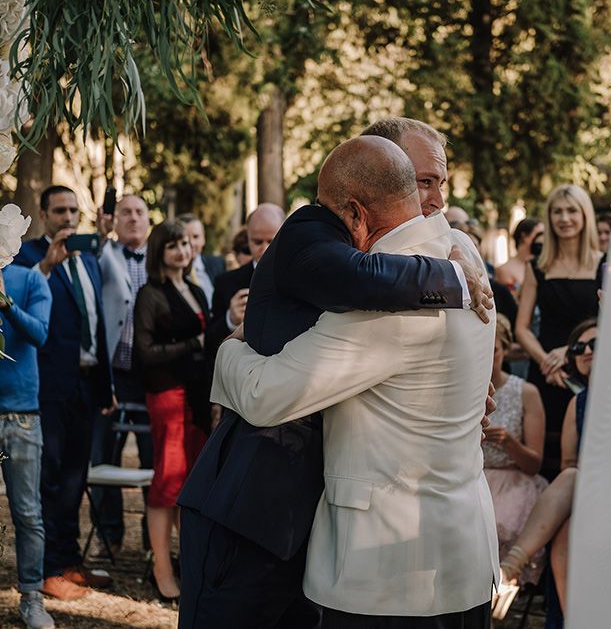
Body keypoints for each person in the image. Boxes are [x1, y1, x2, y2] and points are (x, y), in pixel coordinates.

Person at [177, 139, 495, 626]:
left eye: (435, 182)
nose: (432, 203)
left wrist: (230, 349)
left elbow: (269, 393)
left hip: (380, 562)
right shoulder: (452, 263)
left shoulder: (445, 272)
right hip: (261, 507)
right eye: (419, 181)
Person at [15, 185, 115, 600]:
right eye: (60, 211)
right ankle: (47, 569)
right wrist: (46, 266)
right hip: (50, 385)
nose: (68, 218)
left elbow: (99, 323)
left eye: (74, 210)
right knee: (50, 478)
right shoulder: (25, 256)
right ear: (42, 214)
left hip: (88, 384)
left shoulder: (89, 259)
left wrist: (106, 384)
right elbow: (18, 304)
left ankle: (70, 561)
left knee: (76, 476)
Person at [496, 318, 598, 622]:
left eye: (597, 342)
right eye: (579, 347)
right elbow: (570, 464)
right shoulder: (577, 403)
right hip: (585, 493)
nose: (588, 350)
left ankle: (510, 569)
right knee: (567, 512)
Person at [134, 220, 211, 601]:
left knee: (191, 482)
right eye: (172, 246)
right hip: (167, 394)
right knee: (168, 481)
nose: (181, 251)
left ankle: (187, 563)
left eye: (184, 244)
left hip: (196, 395)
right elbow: (144, 352)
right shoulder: (151, 294)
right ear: (159, 252)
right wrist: (191, 343)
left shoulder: (196, 289)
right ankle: (161, 569)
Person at [515, 184, 601, 480]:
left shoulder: (604, 264)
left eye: (571, 210)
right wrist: (544, 361)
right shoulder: (538, 266)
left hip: (589, 366)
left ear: (584, 215)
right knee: (547, 457)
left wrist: (571, 349)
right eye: (557, 212)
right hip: (547, 372)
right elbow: (522, 328)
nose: (564, 218)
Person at [91, 194, 153, 558]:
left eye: (139, 212)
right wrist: (101, 237)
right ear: (115, 219)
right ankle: (109, 534)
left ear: (148, 220)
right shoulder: (103, 254)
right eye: (125, 212)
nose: (132, 218)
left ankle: (152, 541)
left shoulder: (160, 258)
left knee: (152, 458)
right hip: (111, 373)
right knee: (104, 454)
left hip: (149, 376)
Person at [0, 264, 54, 628]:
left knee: (28, 513)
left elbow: (39, 334)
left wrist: (6, 304)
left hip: (21, 416)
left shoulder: (30, 279)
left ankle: (32, 598)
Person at [483, 315, 547, 586]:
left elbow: (534, 464)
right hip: (474, 475)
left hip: (513, 482)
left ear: (505, 350)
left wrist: (509, 442)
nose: (487, 356)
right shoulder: (463, 388)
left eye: (494, 350)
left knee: (495, 526)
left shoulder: (525, 392)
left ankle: (499, 589)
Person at [205, 203, 285, 356]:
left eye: (271, 241)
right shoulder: (226, 282)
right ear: (247, 238)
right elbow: (209, 343)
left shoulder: (303, 275)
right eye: (257, 242)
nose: (264, 249)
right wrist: (230, 320)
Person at [178, 213, 225, 309]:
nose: (191, 243)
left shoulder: (218, 264)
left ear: (203, 238)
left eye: (195, 237)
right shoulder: (173, 273)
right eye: (185, 238)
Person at [495, 217, 544, 298]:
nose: (543, 239)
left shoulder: (543, 265)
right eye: (539, 234)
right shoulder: (505, 270)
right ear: (524, 236)